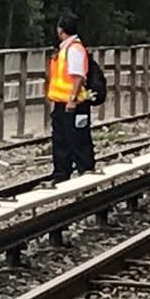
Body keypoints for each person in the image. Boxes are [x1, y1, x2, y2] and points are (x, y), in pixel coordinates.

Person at [46, 12, 95, 182]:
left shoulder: (73, 49)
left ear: (60, 30)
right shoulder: (65, 49)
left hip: (73, 104)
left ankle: (86, 175)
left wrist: (72, 99)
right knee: (62, 141)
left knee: (78, 141)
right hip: (62, 102)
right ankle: (61, 174)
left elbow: (78, 76)